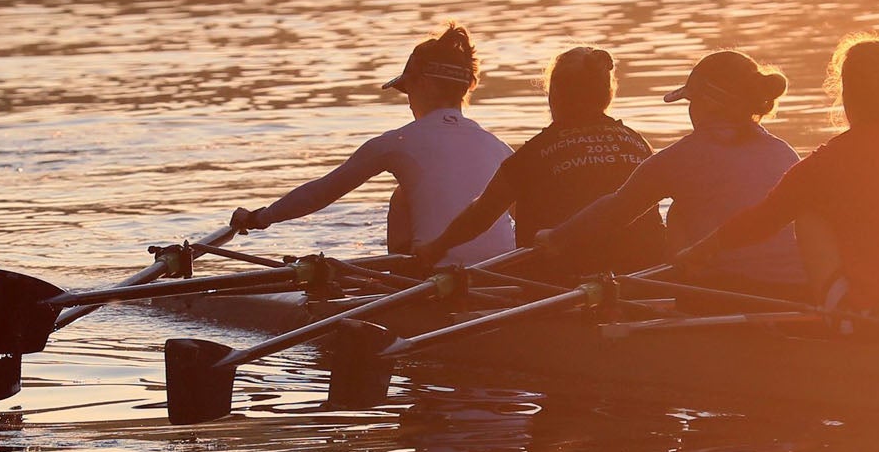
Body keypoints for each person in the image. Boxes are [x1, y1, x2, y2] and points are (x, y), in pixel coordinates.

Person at [674, 32, 879, 332]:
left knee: (810, 214)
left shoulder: (826, 163)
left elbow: (763, 220)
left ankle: (841, 321)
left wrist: (700, 251)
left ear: (846, 95)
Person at [229, 23, 513, 265]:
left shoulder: (396, 142)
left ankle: (400, 288)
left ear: (424, 84)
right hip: (502, 269)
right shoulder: (500, 148)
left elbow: (322, 192)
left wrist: (259, 218)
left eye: (408, 90)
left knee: (400, 198)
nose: (409, 102)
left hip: (436, 273)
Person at [534, 49, 806, 296]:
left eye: (691, 101)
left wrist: (557, 237)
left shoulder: (683, 156)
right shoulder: (784, 152)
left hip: (727, 293)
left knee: (677, 213)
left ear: (707, 104)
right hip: (797, 290)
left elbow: (616, 210)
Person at [412, 45, 667, 275]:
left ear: (553, 94)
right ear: (607, 95)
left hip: (556, 284)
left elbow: (482, 215)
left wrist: (434, 248)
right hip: (645, 277)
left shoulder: (534, 154)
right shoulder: (638, 144)